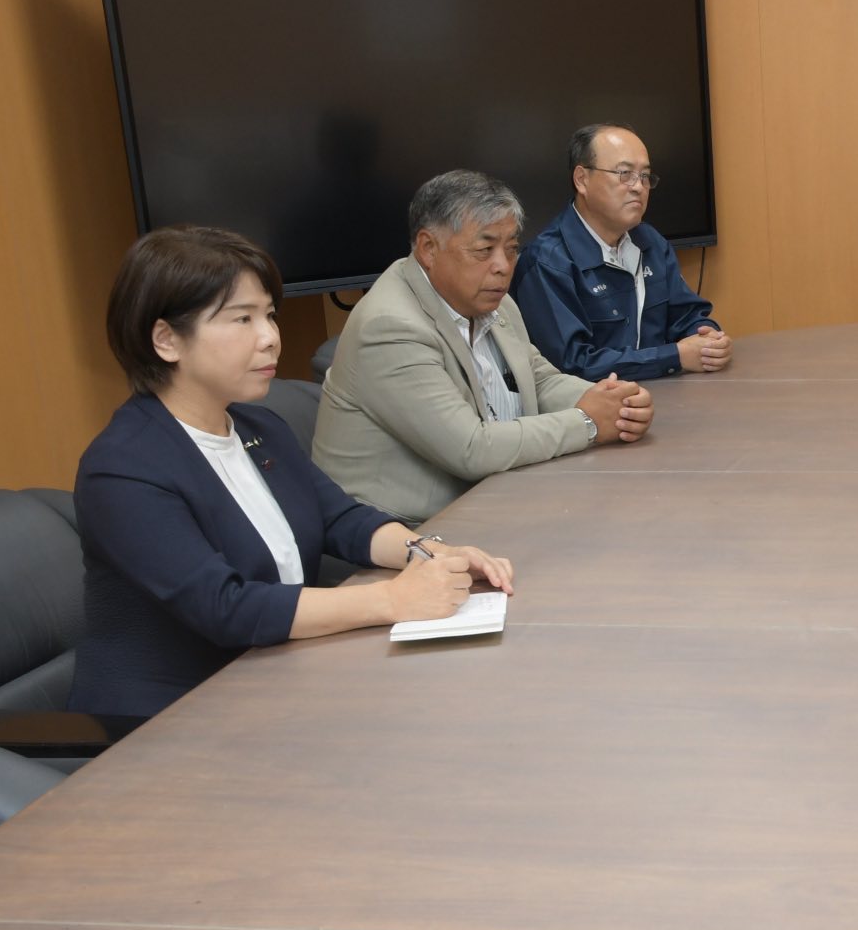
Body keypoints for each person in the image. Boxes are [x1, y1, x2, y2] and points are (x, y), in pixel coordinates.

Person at [72, 226, 514, 719]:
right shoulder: (123, 469)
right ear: (167, 340)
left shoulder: (258, 427)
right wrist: (392, 599)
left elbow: (341, 519)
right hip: (172, 718)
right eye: (242, 319)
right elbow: (225, 608)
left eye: (269, 316)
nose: (270, 338)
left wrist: (431, 553)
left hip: (281, 674)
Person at [314, 169, 655, 524]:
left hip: (494, 498)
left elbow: (539, 380)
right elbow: (471, 449)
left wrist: (615, 403)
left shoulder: (495, 303)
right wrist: (588, 422)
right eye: (484, 250)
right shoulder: (390, 327)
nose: (503, 267)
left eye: (511, 249)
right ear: (428, 248)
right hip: (403, 529)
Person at [510, 123, 730, 381]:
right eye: (625, 173)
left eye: (645, 176)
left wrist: (707, 338)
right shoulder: (547, 261)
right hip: (593, 402)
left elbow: (687, 315)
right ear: (582, 179)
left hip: (664, 392)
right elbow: (571, 364)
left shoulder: (650, 241)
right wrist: (673, 357)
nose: (639, 187)